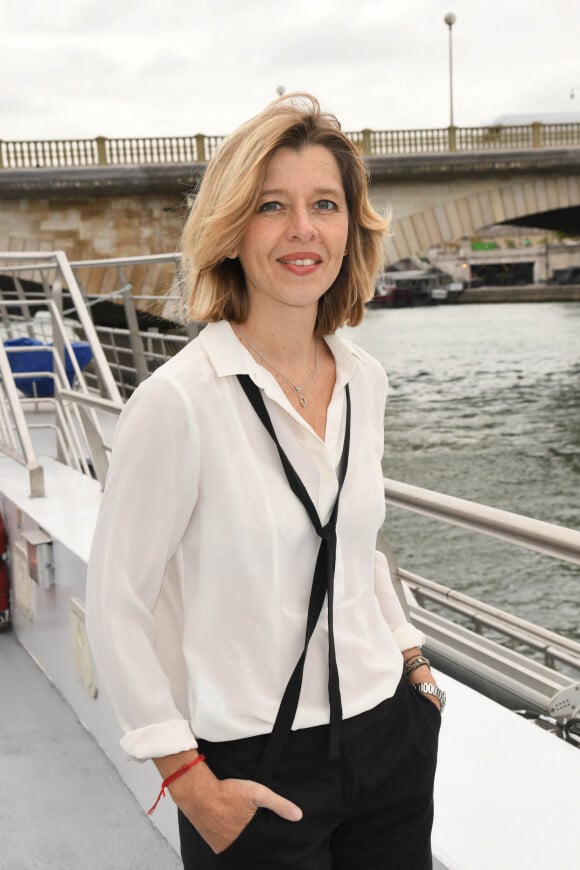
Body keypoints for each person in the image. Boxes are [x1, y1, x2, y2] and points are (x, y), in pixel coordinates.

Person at [86, 92, 445, 870]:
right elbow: (117, 605)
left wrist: (412, 659)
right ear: (233, 228)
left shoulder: (363, 381)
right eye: (272, 206)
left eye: (324, 204)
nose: (302, 231)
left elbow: (358, 550)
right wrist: (187, 780)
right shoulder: (179, 401)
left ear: (352, 226)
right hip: (253, 767)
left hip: (389, 742)